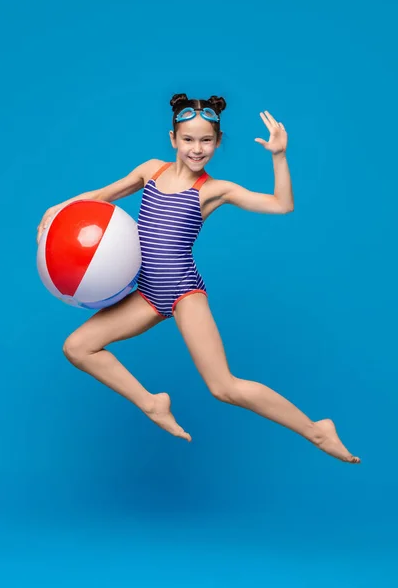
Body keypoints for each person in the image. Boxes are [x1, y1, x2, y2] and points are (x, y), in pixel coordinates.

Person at [37, 93, 360, 464]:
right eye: (188, 139)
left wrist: (279, 155)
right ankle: (152, 403)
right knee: (77, 347)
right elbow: (101, 198)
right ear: (173, 139)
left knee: (224, 387)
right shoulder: (150, 171)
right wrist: (58, 209)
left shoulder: (212, 190)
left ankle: (317, 430)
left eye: (206, 140)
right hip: (146, 294)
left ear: (218, 143)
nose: (197, 148)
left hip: (182, 292)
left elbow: (281, 204)